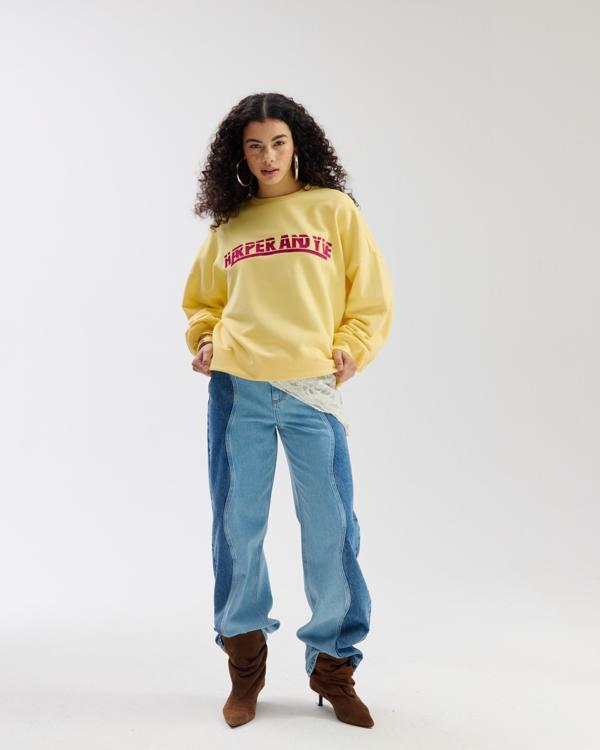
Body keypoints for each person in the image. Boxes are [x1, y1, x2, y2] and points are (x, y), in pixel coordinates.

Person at [181, 92, 394, 729]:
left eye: (277, 142)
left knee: (332, 530)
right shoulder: (230, 223)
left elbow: (370, 296)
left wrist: (352, 346)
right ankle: (245, 666)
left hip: (310, 390)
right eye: (255, 146)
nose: (268, 156)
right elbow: (202, 301)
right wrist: (206, 339)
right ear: (240, 155)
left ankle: (333, 666)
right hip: (238, 389)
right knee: (237, 530)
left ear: (296, 143)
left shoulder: (333, 210)